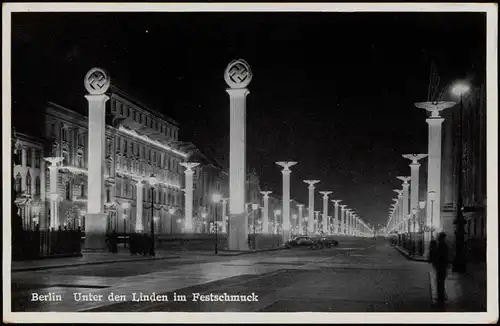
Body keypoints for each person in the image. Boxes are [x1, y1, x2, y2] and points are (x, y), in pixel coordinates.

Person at [430, 232, 449, 304]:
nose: (438, 238)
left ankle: (440, 296)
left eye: (439, 237)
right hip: (442, 266)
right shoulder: (443, 245)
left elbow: (440, 255)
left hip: (441, 266)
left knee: (440, 281)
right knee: (440, 280)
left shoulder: (441, 245)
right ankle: (441, 295)